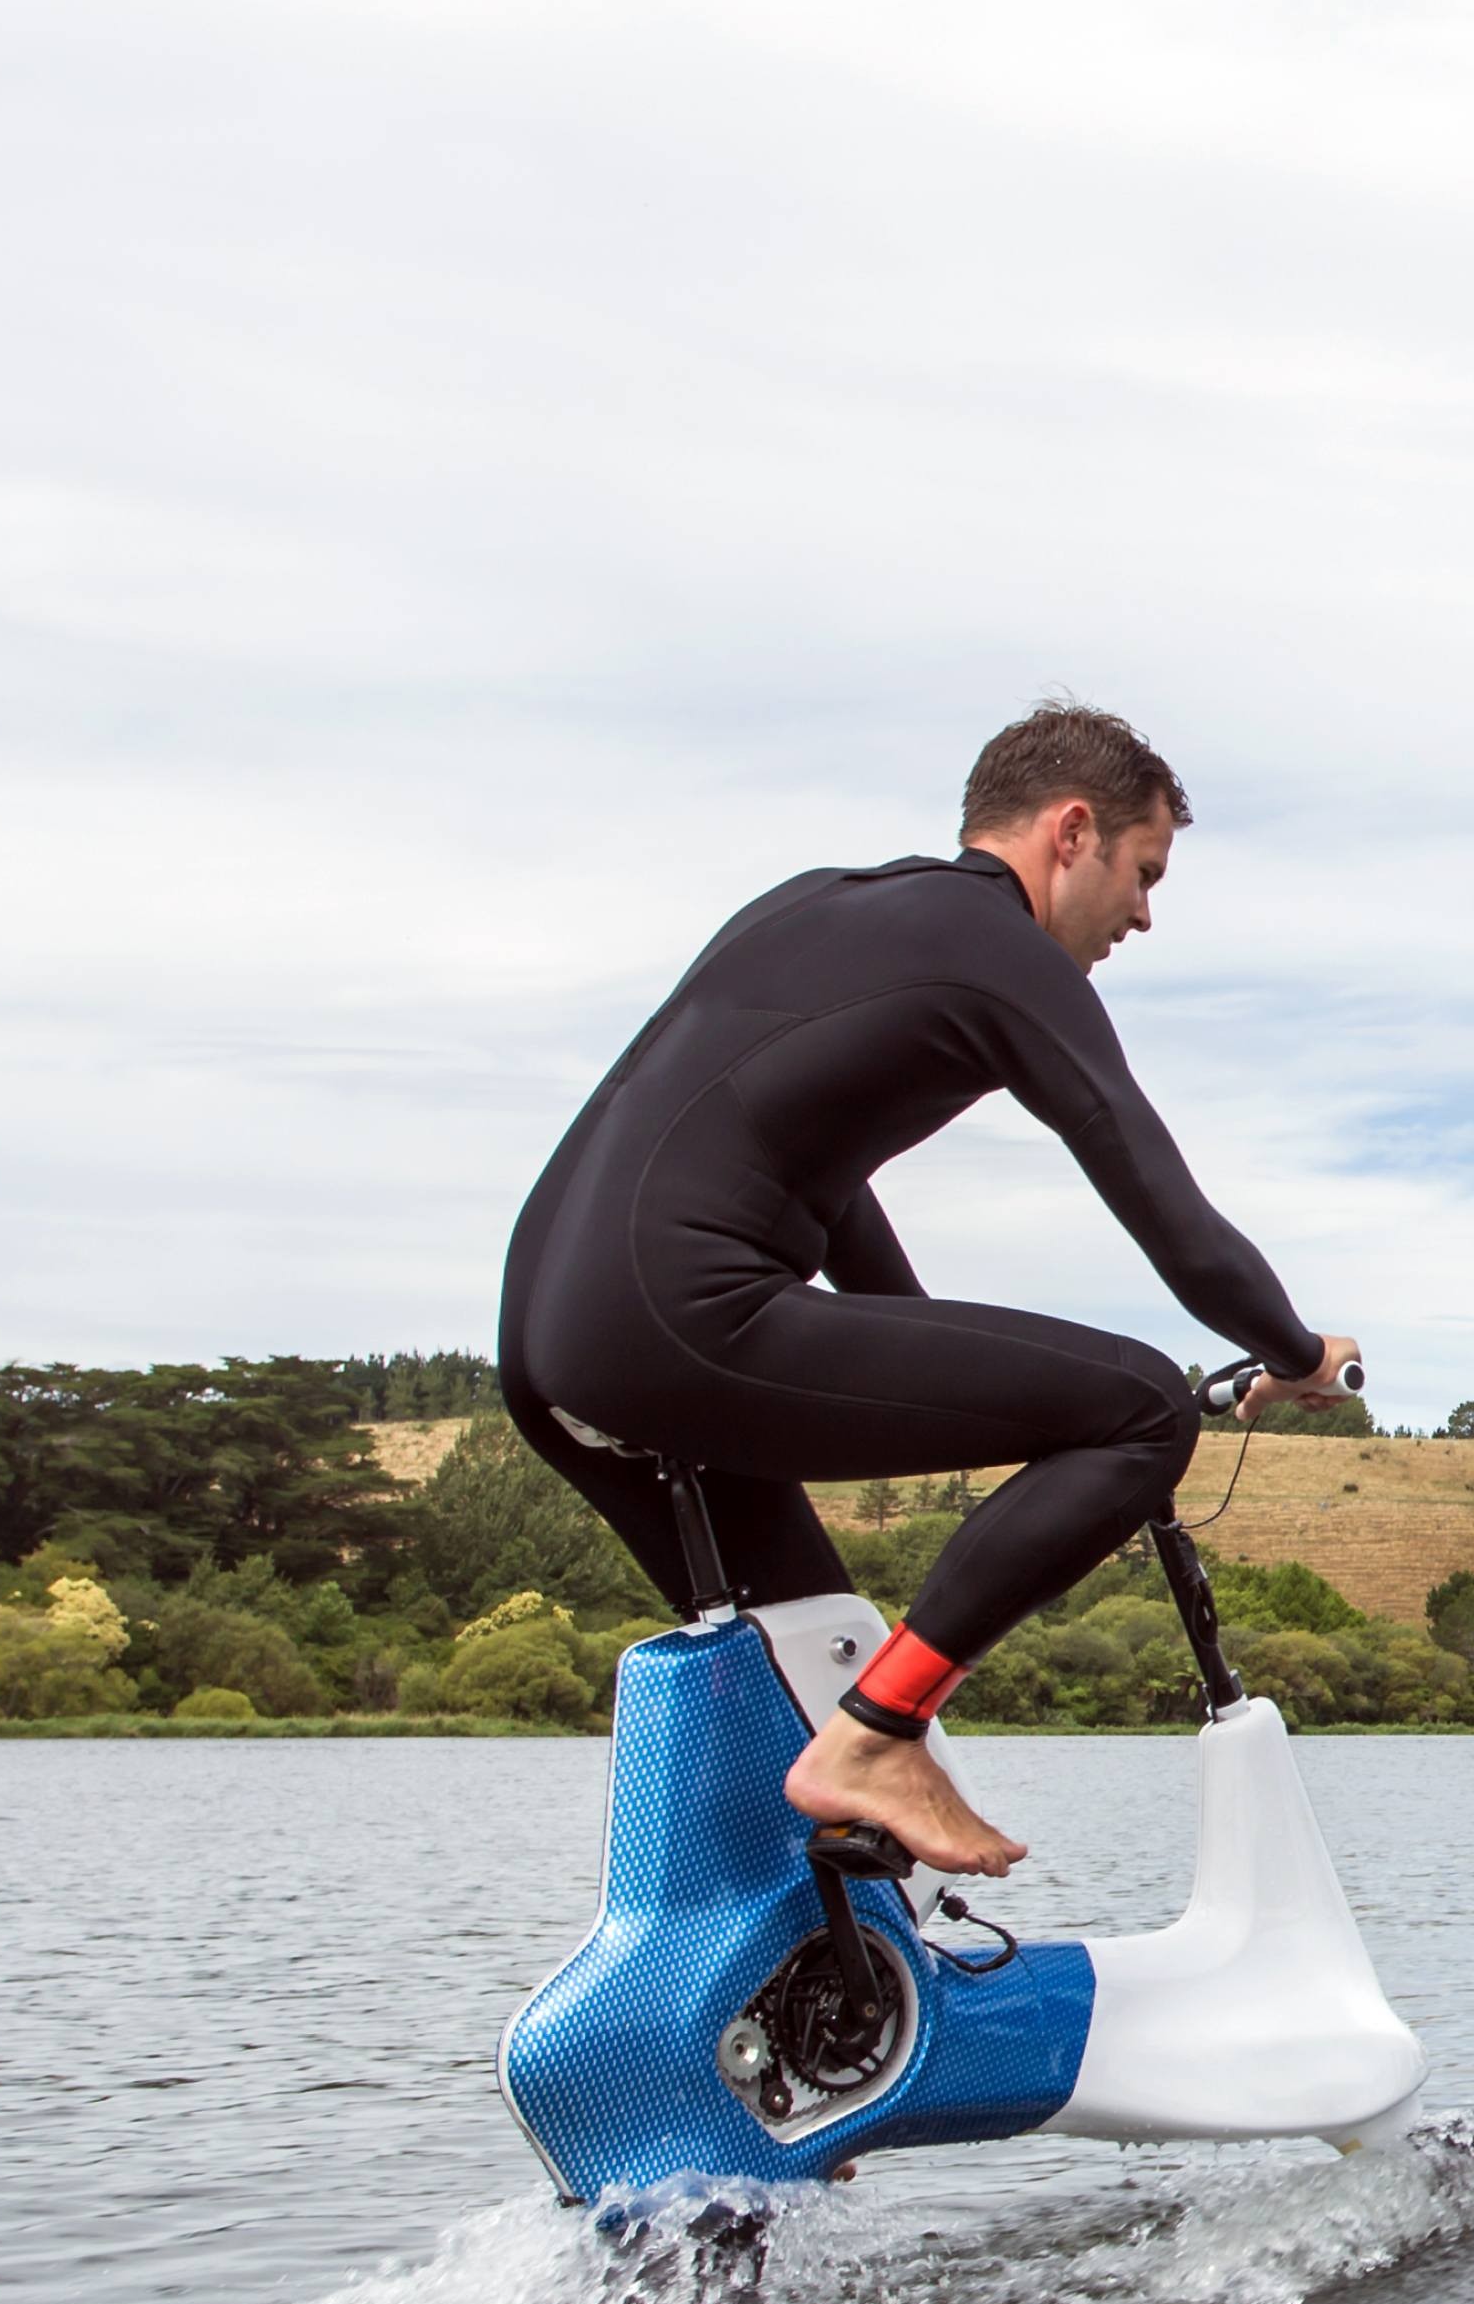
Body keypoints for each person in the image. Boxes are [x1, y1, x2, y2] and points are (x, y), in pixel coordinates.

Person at [497, 703, 1360, 1877]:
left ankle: (824, 1996)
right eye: (1143, 871)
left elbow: (815, 1171)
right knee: (1142, 1407)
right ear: (1072, 831)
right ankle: (878, 1743)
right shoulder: (997, 952)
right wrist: (1297, 1350)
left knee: (810, 1662)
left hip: (553, 1340)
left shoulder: (813, 906)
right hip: (675, 1321)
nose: (1144, 914)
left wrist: (913, 1349)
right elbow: (1176, 1222)